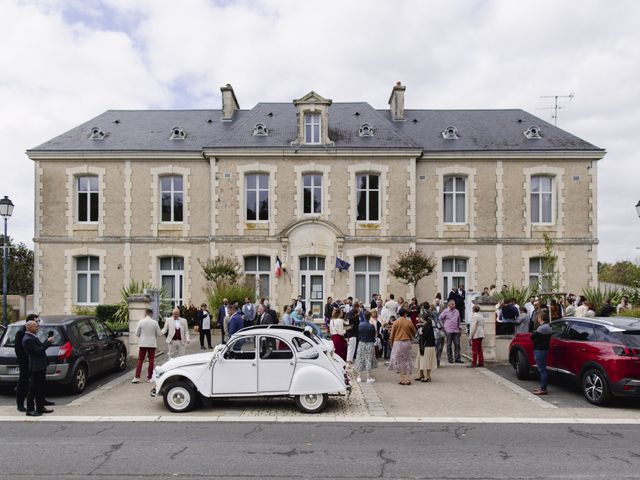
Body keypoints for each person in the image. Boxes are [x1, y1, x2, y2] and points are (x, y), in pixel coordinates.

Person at [15, 314, 54, 412]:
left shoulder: (33, 334)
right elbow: (20, 350)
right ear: (30, 323)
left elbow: (39, 347)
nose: (38, 324)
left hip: (36, 363)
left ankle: (40, 403)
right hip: (27, 362)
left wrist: (47, 341)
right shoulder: (23, 333)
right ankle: (21, 404)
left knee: (38, 385)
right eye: (36, 321)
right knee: (26, 384)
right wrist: (27, 361)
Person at [132, 308, 163, 383]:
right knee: (151, 360)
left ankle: (137, 377)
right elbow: (159, 334)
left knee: (140, 360)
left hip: (143, 343)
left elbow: (137, 333)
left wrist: (142, 336)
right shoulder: (155, 322)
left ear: (145, 313)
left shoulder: (141, 322)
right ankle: (150, 377)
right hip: (152, 344)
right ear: (151, 314)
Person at [388, 308, 417, 385]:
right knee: (407, 360)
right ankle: (408, 379)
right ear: (405, 314)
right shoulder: (409, 322)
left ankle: (402, 379)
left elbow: (392, 335)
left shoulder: (396, 322)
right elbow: (414, 332)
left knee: (400, 361)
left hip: (397, 342)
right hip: (406, 342)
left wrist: (391, 344)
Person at [530, 310, 552, 395]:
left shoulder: (542, 328)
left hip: (540, 350)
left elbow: (532, 336)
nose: (537, 319)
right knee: (542, 369)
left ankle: (543, 389)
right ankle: (542, 387)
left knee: (542, 369)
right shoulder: (548, 327)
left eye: (538, 317)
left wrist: (534, 335)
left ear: (540, 318)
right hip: (544, 349)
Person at [354, 313, 377, 383]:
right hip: (369, 343)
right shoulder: (372, 326)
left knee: (360, 358)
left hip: (361, 343)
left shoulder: (360, 325)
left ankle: (359, 377)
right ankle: (368, 377)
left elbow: (358, 335)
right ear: (369, 317)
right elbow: (374, 335)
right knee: (368, 359)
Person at [439, 299, 463, 364]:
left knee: (457, 345)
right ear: (449, 304)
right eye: (452, 304)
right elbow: (440, 318)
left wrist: (460, 328)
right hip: (448, 330)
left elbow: (459, 320)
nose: (454, 305)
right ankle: (450, 358)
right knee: (449, 345)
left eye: (454, 304)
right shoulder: (445, 311)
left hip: (456, 330)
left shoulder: (457, 311)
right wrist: (442, 327)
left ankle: (457, 358)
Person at [415, 310, 436, 382]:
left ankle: (428, 376)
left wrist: (420, 333)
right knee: (422, 361)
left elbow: (425, 336)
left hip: (427, 346)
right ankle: (422, 375)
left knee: (427, 361)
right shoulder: (427, 325)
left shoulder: (427, 326)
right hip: (425, 345)